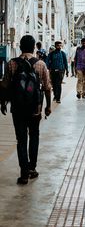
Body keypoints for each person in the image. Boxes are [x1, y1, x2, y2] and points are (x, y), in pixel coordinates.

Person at [0, 35, 51, 185]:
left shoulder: (12, 63)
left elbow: (4, 86)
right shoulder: (40, 64)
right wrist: (47, 106)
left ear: (21, 47)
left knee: (21, 139)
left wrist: (3, 103)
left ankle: (23, 174)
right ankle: (32, 169)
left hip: (17, 108)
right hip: (35, 108)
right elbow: (47, 88)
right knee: (34, 136)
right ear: (34, 47)